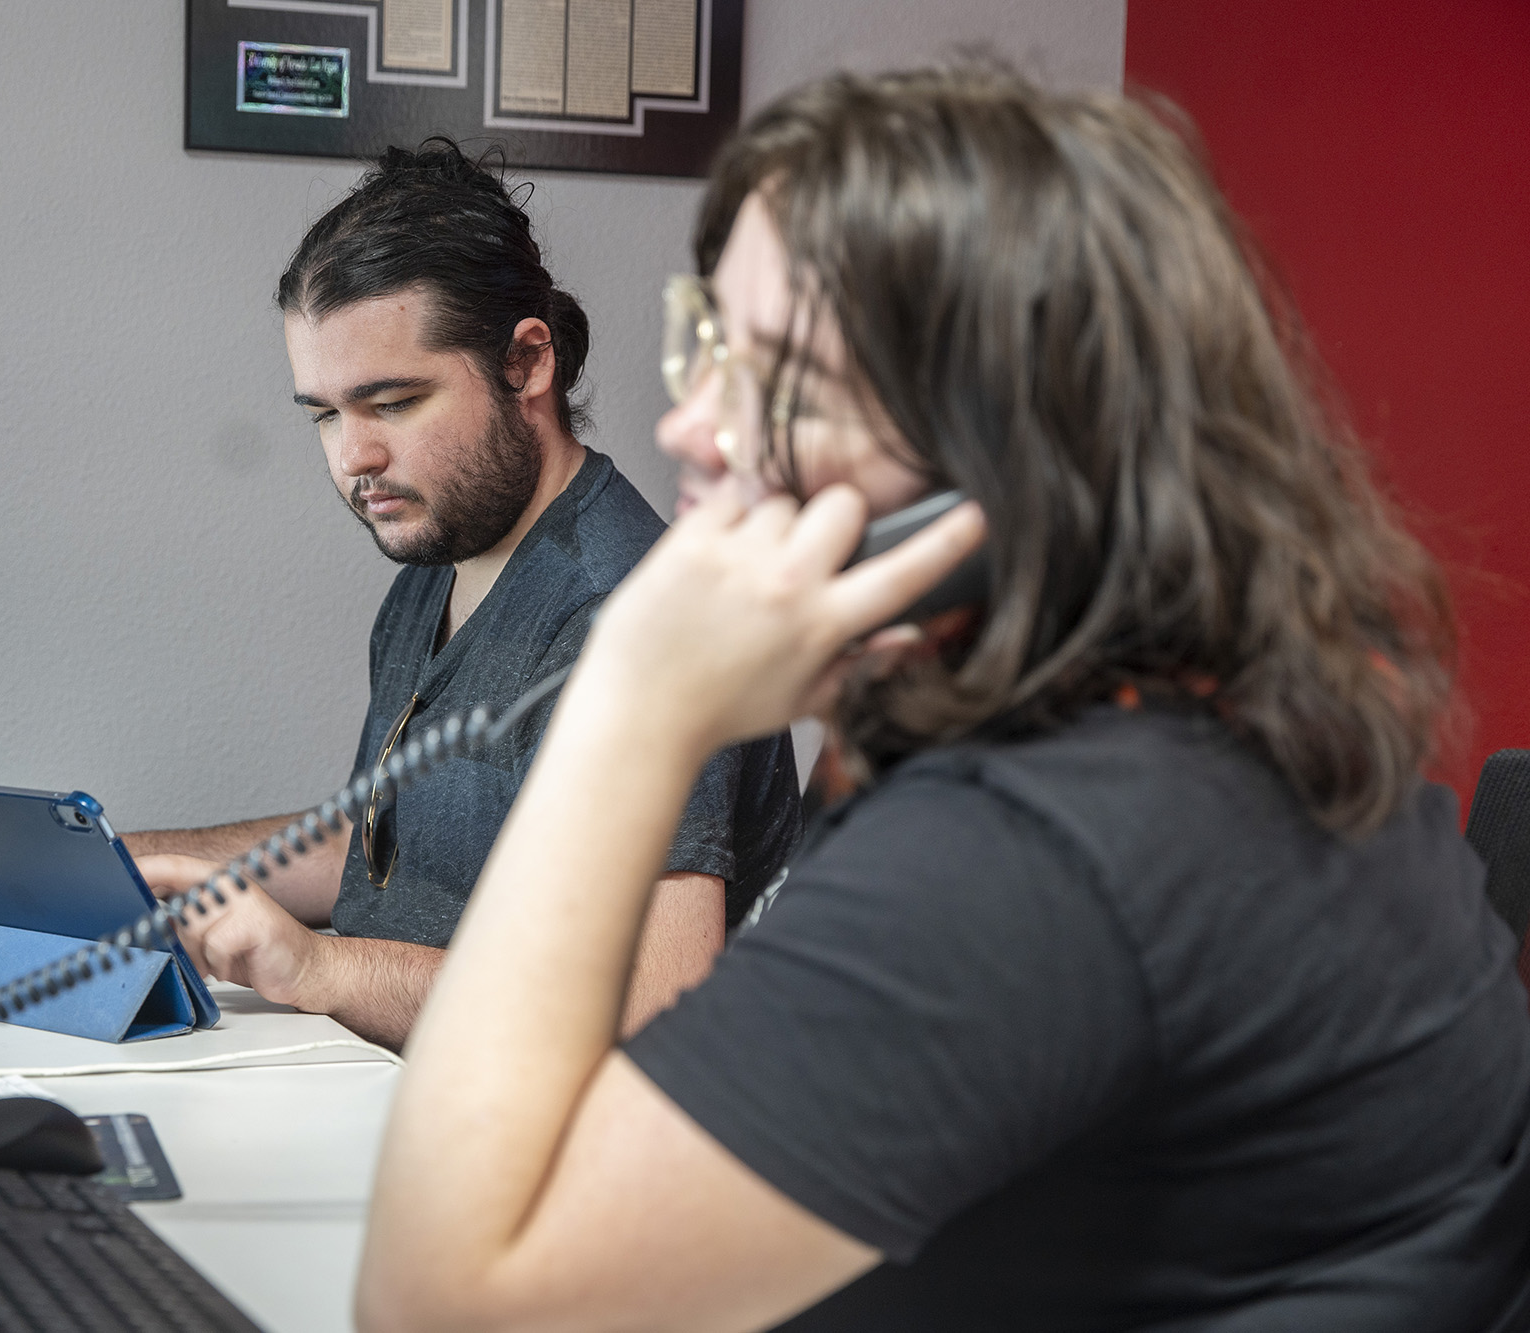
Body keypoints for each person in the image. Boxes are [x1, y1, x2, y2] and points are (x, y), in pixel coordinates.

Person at [347, 69, 1530, 1330]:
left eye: (781, 378)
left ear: (1006, 450)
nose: (692, 425)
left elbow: (438, 1308)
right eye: (708, 340)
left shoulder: (1048, 845)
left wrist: (626, 714)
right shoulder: (1171, 721)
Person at [129, 141, 800, 1048]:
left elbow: (652, 1000)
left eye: (394, 403)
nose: (351, 457)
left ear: (527, 363)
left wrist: (321, 968)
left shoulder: (640, 623)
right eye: (325, 414)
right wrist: (132, 866)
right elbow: (386, 850)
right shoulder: (438, 569)